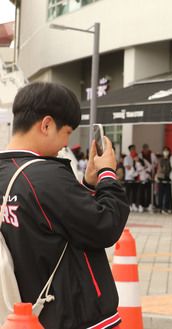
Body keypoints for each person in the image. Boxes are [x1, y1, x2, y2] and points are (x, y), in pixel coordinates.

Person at [0, 82, 129, 328]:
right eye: (67, 132)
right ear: (47, 125)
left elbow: (58, 220)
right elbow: (104, 225)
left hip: (27, 312)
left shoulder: (6, 172)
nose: (65, 144)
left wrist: (89, 184)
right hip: (75, 314)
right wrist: (108, 175)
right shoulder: (46, 176)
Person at [156, 146, 172, 214]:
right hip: (161, 177)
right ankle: (160, 207)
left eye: (167, 151)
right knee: (160, 193)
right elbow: (161, 168)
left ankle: (166, 207)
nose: (166, 152)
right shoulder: (161, 160)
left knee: (168, 193)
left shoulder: (170, 159)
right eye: (164, 151)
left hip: (168, 177)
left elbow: (170, 168)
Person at [123, 145, 139, 211]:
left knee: (135, 192)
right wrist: (133, 164)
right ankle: (128, 205)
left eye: (134, 149)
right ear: (130, 150)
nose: (134, 150)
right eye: (132, 149)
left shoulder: (136, 157)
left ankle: (134, 204)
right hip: (128, 178)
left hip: (135, 177)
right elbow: (127, 167)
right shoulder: (127, 158)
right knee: (128, 193)